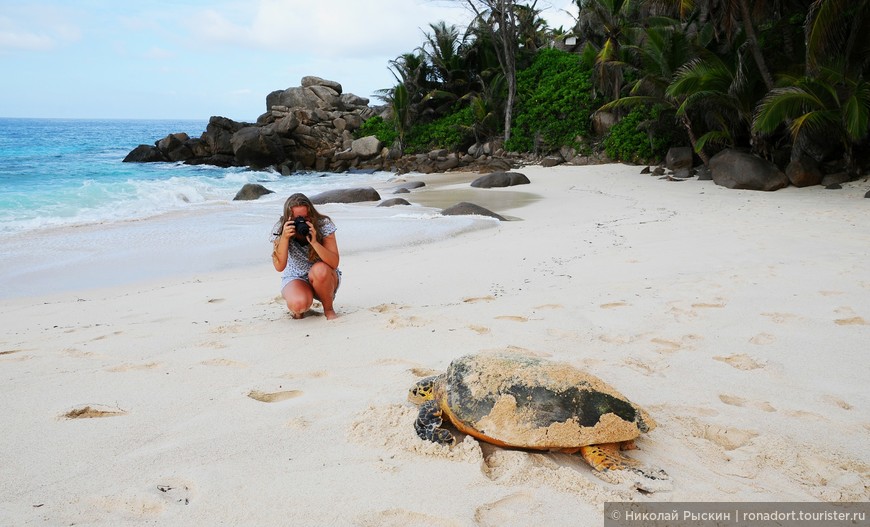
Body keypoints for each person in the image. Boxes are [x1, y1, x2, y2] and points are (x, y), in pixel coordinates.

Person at [272, 193, 341, 320]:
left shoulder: (322, 224)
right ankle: (299, 311)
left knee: (319, 270)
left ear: (312, 214)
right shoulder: (281, 228)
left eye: (306, 217)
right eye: (297, 219)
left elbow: (334, 263)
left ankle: (329, 309)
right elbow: (279, 266)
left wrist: (314, 242)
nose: (302, 222)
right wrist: (284, 238)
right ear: (289, 218)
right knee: (299, 304)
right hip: (296, 276)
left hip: (324, 276)